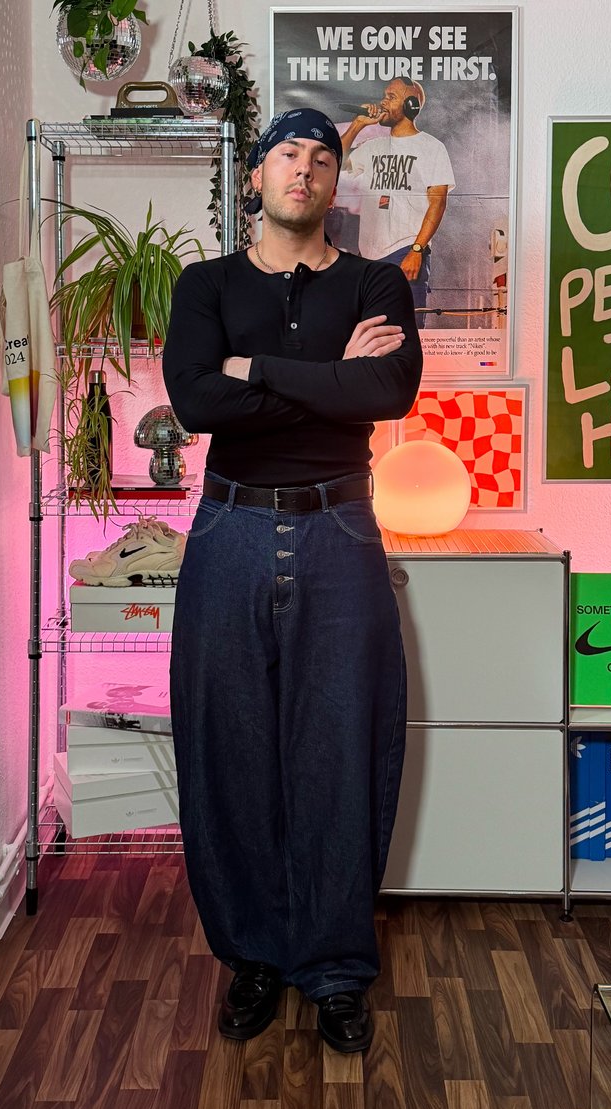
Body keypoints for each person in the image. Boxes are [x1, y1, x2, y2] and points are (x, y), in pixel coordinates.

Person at [162, 107, 422, 1054]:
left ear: (335, 182)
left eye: (322, 158)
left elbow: (385, 394)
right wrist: (320, 375)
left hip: (341, 529)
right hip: (228, 531)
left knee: (342, 751)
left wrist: (257, 370)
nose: (303, 170)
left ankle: (336, 968)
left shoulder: (376, 281)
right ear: (258, 176)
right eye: (287, 155)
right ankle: (254, 958)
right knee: (229, 752)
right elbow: (195, 400)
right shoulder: (206, 284)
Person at [340, 79, 455, 326]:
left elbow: (438, 203)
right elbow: (333, 162)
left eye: (391, 96)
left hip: (405, 251)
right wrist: (358, 124)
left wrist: (417, 250)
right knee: (369, 332)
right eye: (384, 95)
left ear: (411, 104)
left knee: (406, 333)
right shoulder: (373, 147)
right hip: (368, 256)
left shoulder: (432, 148)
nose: (383, 101)